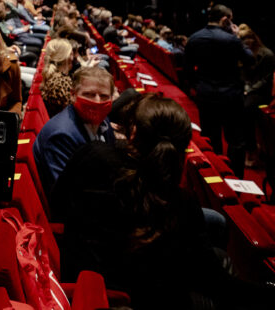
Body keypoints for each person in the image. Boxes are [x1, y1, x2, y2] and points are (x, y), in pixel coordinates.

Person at [51, 94, 275, 309]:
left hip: (89, 281)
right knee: (220, 263)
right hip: (142, 298)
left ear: (134, 132)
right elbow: (217, 285)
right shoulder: (180, 204)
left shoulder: (92, 154)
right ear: (184, 147)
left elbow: (58, 204)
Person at [184, 4, 253, 176]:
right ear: (225, 19)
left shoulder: (194, 38)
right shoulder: (231, 39)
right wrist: (236, 35)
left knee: (211, 137)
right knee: (236, 140)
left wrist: (198, 86)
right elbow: (250, 60)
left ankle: (215, 174)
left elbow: (187, 70)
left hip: (206, 94)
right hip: (231, 96)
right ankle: (235, 178)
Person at [32, 65, 116, 192]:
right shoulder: (61, 136)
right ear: (72, 95)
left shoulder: (104, 120)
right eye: (89, 95)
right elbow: (66, 195)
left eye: (104, 96)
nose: (97, 102)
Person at [238, 25, 273, 168]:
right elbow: (243, 76)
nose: (245, 43)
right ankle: (245, 146)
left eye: (246, 40)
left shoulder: (267, 54)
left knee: (247, 108)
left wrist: (249, 90)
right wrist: (244, 89)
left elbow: (266, 80)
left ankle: (251, 149)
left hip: (262, 92)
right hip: (248, 90)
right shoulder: (244, 54)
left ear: (253, 39)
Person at [40, 39, 78, 117]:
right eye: (71, 54)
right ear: (66, 58)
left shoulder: (55, 77)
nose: (74, 57)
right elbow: (73, 112)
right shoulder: (60, 82)